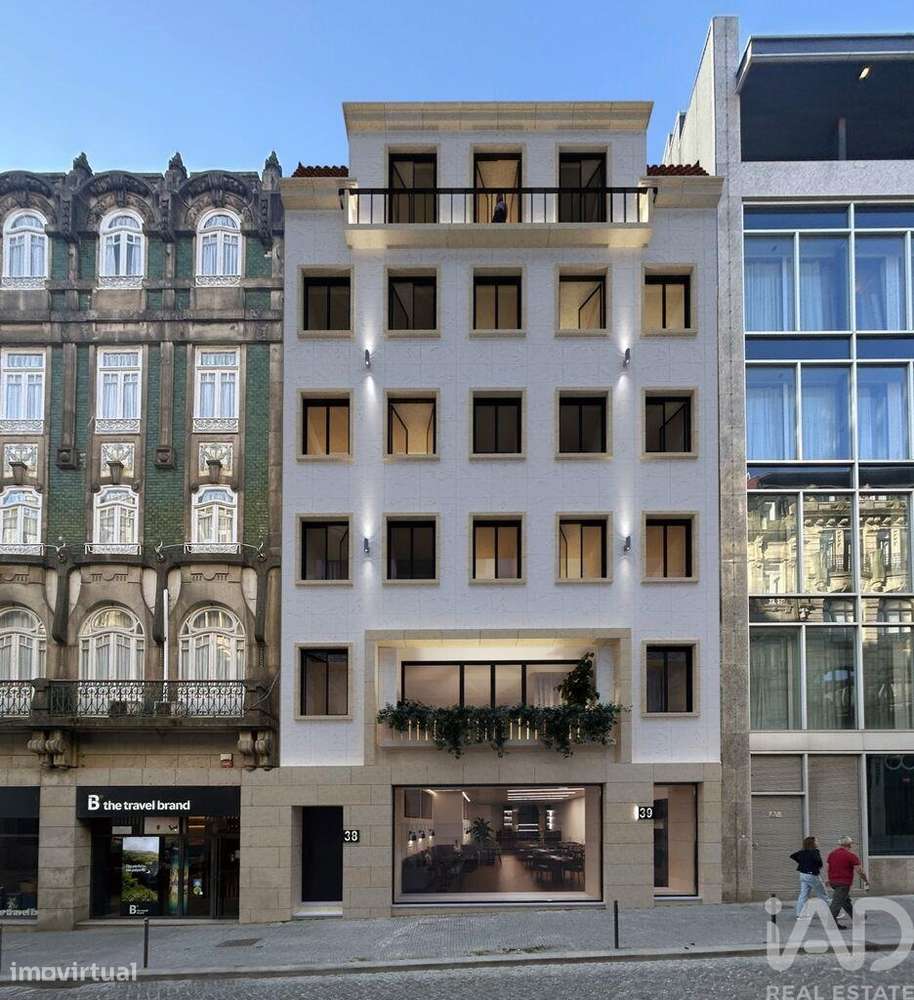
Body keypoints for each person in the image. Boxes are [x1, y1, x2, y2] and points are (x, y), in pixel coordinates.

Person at [826, 836, 870, 928]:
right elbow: (860, 871)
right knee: (836, 903)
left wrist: (828, 879)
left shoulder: (832, 854)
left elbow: (829, 867)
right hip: (843, 883)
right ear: (849, 845)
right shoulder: (851, 856)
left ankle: (857, 918)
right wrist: (866, 880)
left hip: (834, 882)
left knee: (845, 901)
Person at [790, 835, 829, 918]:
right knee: (823, 894)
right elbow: (819, 862)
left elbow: (793, 856)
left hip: (803, 874)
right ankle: (832, 912)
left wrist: (803, 863)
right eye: (816, 841)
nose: (818, 842)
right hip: (812, 875)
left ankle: (800, 914)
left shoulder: (803, 851)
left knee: (803, 894)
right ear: (812, 843)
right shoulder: (814, 851)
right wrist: (814, 866)